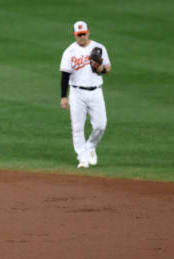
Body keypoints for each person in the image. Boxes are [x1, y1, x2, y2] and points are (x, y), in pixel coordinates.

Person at [59, 20, 112, 168]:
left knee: (101, 125)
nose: (81, 37)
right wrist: (63, 96)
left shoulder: (99, 47)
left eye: (83, 34)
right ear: (75, 35)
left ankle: (90, 147)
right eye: (78, 34)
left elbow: (107, 68)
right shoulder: (69, 52)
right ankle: (82, 158)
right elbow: (65, 75)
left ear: (88, 32)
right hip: (76, 93)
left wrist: (101, 69)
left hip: (96, 91)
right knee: (77, 127)